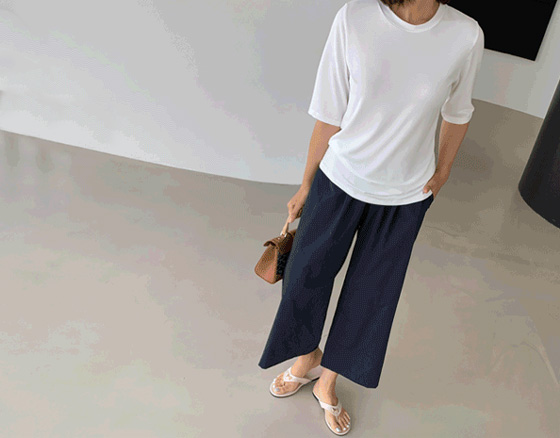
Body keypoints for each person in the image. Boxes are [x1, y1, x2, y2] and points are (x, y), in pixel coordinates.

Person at [258, 0, 485, 435]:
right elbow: (329, 112)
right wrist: (306, 184)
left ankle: (327, 382)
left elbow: (458, 113)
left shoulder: (465, 35)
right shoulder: (355, 18)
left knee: (371, 295)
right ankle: (307, 357)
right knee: (304, 274)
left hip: (405, 195)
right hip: (340, 178)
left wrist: (442, 173)